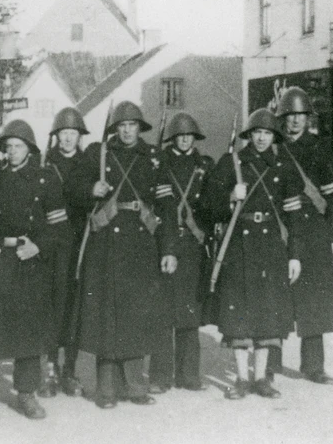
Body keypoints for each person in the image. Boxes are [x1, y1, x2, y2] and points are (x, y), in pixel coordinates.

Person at [72, 101, 178, 409]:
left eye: (132, 125)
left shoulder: (154, 158)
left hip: (141, 245)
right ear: (115, 129)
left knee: (136, 315)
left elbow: (167, 208)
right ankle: (106, 389)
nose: (127, 130)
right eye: (122, 125)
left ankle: (134, 386)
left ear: (140, 128)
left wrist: (168, 248)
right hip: (104, 243)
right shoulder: (98, 154)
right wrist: (92, 188)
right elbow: (72, 188)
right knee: (107, 315)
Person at [0, 120, 69, 423]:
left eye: (18, 146)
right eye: (7, 147)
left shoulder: (45, 179)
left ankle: (26, 394)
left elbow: (58, 226)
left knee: (28, 332)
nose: (12, 152)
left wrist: (38, 247)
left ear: (29, 149)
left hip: (28, 259)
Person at [201, 108, 304, 400]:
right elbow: (208, 205)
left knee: (267, 313)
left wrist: (294, 255)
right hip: (238, 247)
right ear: (249, 135)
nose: (261, 138)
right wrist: (230, 197)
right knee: (239, 313)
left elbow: (294, 216)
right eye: (257, 133)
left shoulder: (282, 166)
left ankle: (261, 378)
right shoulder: (230, 162)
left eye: (267, 133)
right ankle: (242, 380)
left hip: (271, 247)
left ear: (274, 137)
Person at [272, 87, 333, 385]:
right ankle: (270, 363)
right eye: (290, 116)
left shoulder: (319, 148)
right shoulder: (273, 147)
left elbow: (332, 197)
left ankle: (313, 366)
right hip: (281, 227)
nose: (295, 122)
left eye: (300, 116)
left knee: (315, 300)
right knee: (275, 295)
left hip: (314, 231)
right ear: (283, 119)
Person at [148, 112, 213, 394]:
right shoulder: (160, 165)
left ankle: (188, 374)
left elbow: (211, 206)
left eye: (190, 135)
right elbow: (159, 208)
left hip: (193, 246)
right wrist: (168, 247)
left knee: (190, 313)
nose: (185, 139)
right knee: (163, 313)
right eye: (180, 135)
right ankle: (161, 376)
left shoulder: (204, 165)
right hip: (165, 242)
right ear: (173, 137)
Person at [39, 106, 90, 397]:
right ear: (56, 136)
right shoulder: (46, 164)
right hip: (53, 244)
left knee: (76, 304)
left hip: (82, 241)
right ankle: (49, 369)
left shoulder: (89, 163)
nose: (68, 138)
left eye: (73, 133)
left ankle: (69, 369)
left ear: (79, 136)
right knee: (52, 304)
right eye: (64, 133)